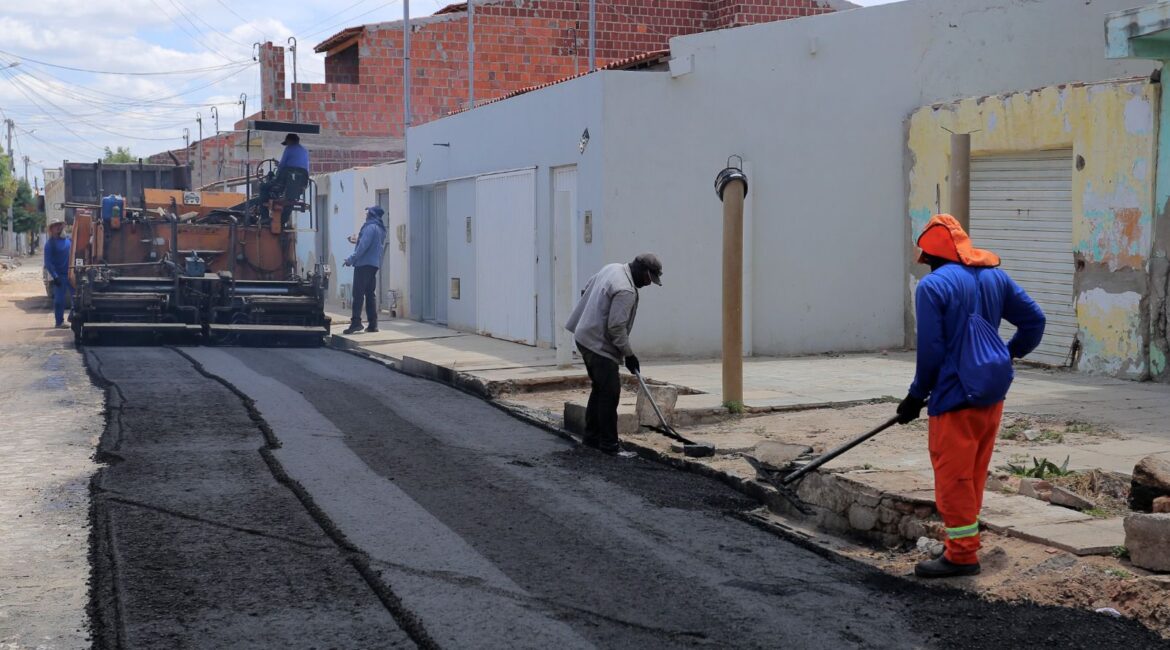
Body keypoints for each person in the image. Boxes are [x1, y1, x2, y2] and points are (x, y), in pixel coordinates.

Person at [897, 214, 1045, 578]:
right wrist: (1008, 353)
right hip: (991, 392)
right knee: (974, 471)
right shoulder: (996, 277)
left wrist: (916, 396)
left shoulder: (933, 287)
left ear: (931, 255)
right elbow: (1035, 321)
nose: (926, 266)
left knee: (953, 477)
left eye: (927, 260)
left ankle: (962, 556)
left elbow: (931, 350)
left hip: (954, 396)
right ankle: (963, 541)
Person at [565, 253, 663, 458]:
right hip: (598, 345)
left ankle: (591, 439)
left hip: (584, 337)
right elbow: (616, 327)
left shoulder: (612, 268)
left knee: (600, 389)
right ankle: (609, 445)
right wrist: (629, 355)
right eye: (649, 279)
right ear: (642, 271)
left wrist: (594, 313)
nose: (648, 284)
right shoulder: (626, 290)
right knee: (610, 394)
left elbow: (587, 288)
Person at [342, 206, 387, 334]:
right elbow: (371, 244)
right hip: (374, 265)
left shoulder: (370, 227)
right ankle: (373, 324)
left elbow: (363, 247)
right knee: (370, 294)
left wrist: (350, 259)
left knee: (358, 294)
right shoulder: (380, 228)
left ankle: (356, 322)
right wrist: (357, 240)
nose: (366, 215)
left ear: (372, 215)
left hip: (363, 264)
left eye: (368, 213)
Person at [256, 133, 310, 223]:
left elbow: (282, 166)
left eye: (287, 142)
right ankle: (283, 220)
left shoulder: (289, 149)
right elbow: (302, 167)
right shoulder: (304, 151)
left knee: (263, 187)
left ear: (290, 141)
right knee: (290, 197)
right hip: (301, 183)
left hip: (284, 181)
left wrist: (278, 167)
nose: (287, 144)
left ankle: (264, 217)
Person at [43, 221, 72, 329]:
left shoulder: (69, 241)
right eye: (55, 226)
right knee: (59, 301)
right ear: (51, 229)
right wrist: (55, 276)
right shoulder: (50, 244)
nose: (58, 228)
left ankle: (73, 317)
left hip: (72, 274)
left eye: (59, 225)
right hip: (60, 276)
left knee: (77, 299)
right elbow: (48, 263)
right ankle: (59, 322)